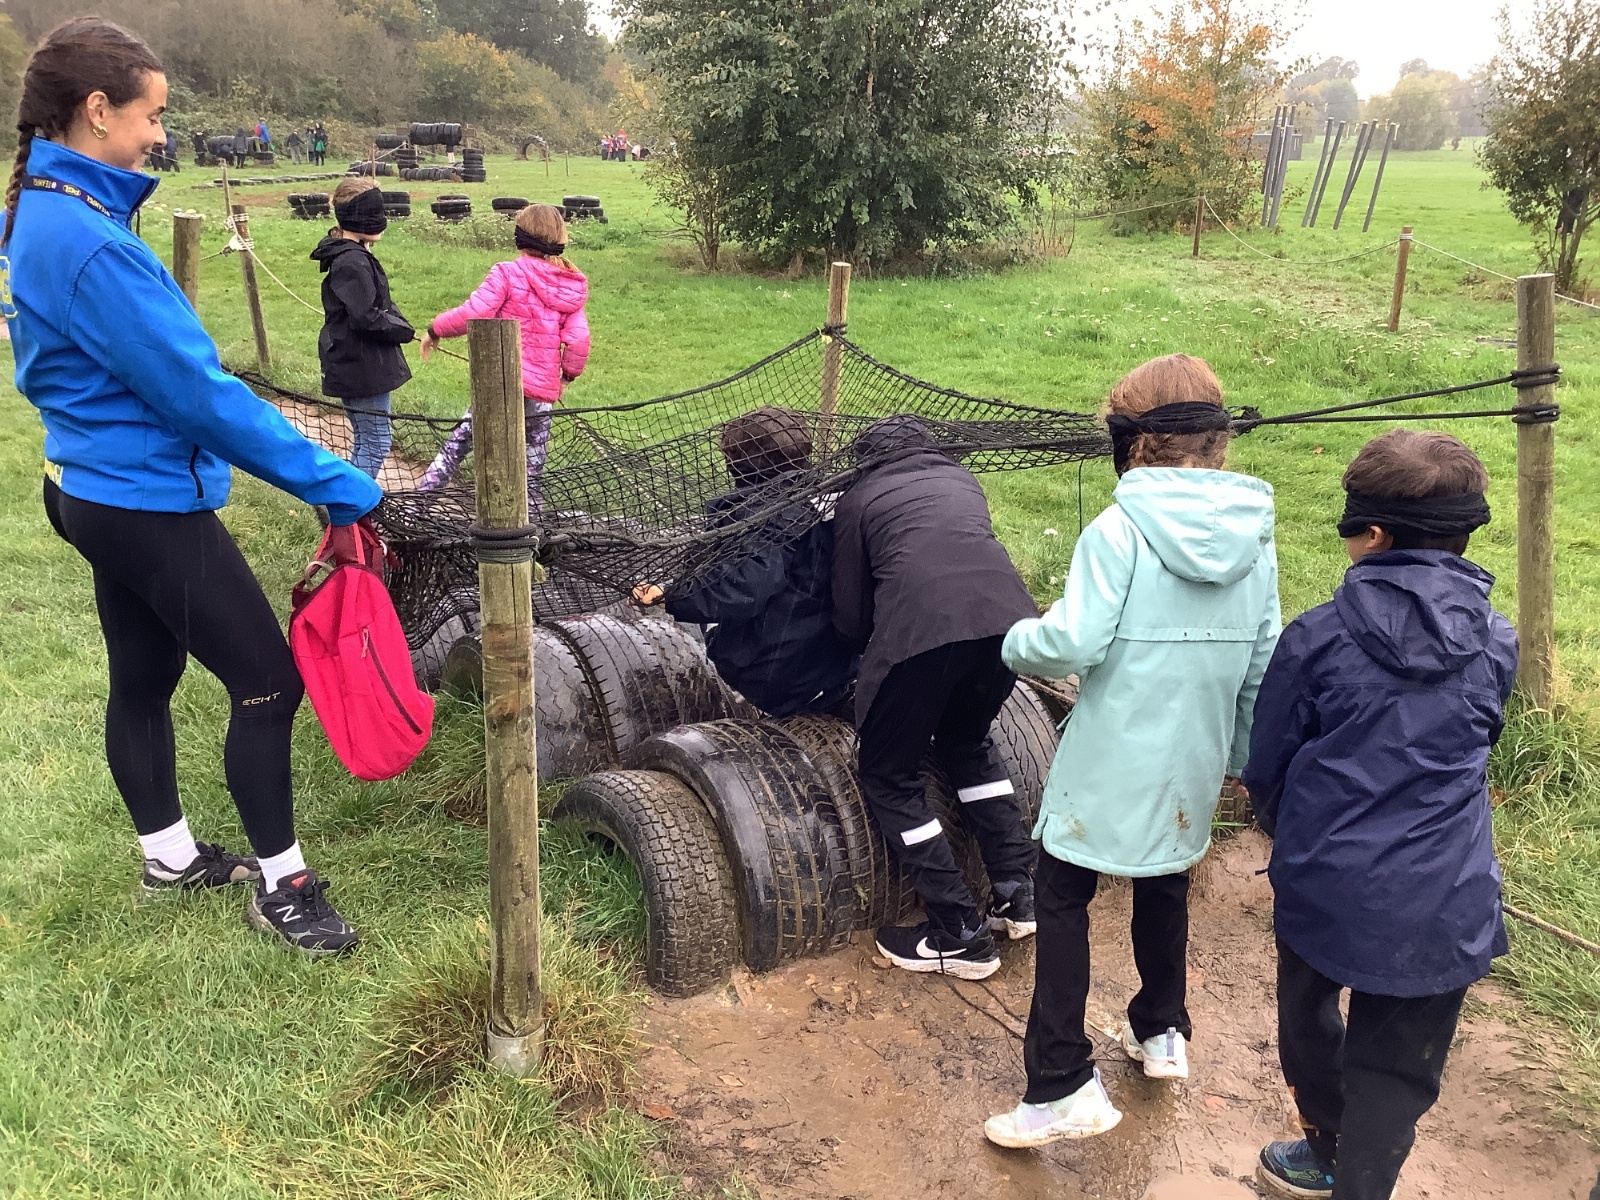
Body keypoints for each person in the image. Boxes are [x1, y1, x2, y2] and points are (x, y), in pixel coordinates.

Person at [5, 17, 381, 955]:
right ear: (98, 110)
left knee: (144, 675)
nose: (160, 135)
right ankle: (285, 887)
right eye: (152, 116)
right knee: (266, 682)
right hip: (140, 502)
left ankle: (168, 857)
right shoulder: (88, 241)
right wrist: (337, 483)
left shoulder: (48, 210)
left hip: (87, 487)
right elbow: (200, 397)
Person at [981, 354, 1281, 1148]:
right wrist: (1240, 758)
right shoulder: (1256, 538)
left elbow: (1071, 643)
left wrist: (1014, 637)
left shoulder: (1118, 530)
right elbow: (1263, 660)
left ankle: (1059, 1083)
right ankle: (1162, 1030)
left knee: (1062, 897)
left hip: (1111, 759)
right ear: (1216, 437)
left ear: (1131, 438)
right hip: (1194, 759)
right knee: (1164, 883)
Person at [1245, 429, 1515, 1200]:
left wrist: (1293, 832)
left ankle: (1327, 1146)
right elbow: (1483, 736)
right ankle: (1362, 1182)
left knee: (1305, 1019)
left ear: (1372, 534)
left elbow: (1268, 765)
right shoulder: (1497, 641)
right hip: (1447, 895)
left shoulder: (1316, 637)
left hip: (1327, 882)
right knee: (1398, 1070)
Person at [831, 414, 1040, 980]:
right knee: (966, 740)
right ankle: (1018, 892)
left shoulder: (857, 499)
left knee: (887, 773)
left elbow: (851, 617)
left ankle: (958, 932)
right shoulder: (961, 478)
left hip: (923, 634)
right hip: (1008, 626)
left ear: (864, 460)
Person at [631, 407, 859, 718]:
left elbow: (746, 585)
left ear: (738, 463)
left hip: (778, 672)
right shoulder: (829, 494)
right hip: (832, 659)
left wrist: (671, 594)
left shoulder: (765, 518)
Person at [417, 203, 590, 494]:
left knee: (457, 446)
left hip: (501, 386)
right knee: (532, 467)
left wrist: (436, 329)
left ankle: (418, 504)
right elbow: (579, 339)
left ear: (519, 237)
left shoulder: (507, 273)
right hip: (541, 394)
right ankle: (531, 518)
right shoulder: (570, 285)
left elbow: (476, 312)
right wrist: (566, 378)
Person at [312, 176, 414, 479]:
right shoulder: (351, 262)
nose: (380, 220)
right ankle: (348, 502)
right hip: (360, 365)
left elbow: (378, 304)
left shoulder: (355, 256)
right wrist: (402, 331)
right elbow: (365, 316)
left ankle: (348, 500)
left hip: (357, 361)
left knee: (366, 440)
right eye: (371, 212)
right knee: (377, 442)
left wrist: (399, 321)